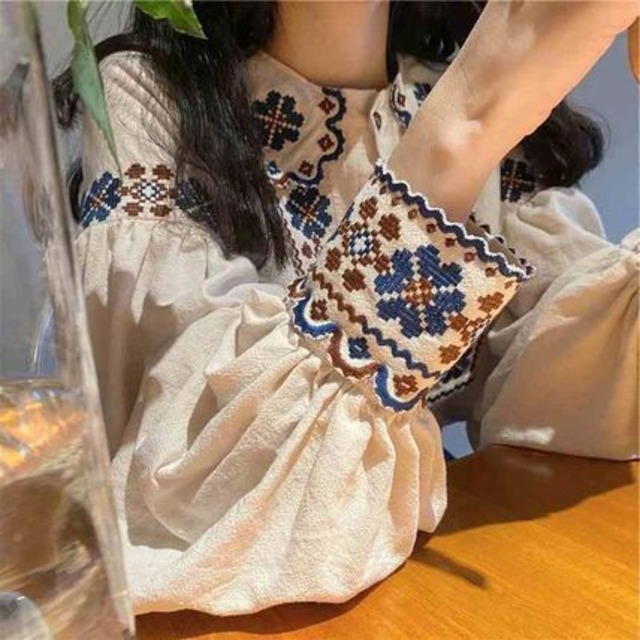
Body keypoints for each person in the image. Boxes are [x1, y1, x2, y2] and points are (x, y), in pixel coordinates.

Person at [54, 1, 639, 616]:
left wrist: (476, 104)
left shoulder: (433, 89)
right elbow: (188, 496)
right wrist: (465, 120)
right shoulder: (154, 98)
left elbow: (579, 386)